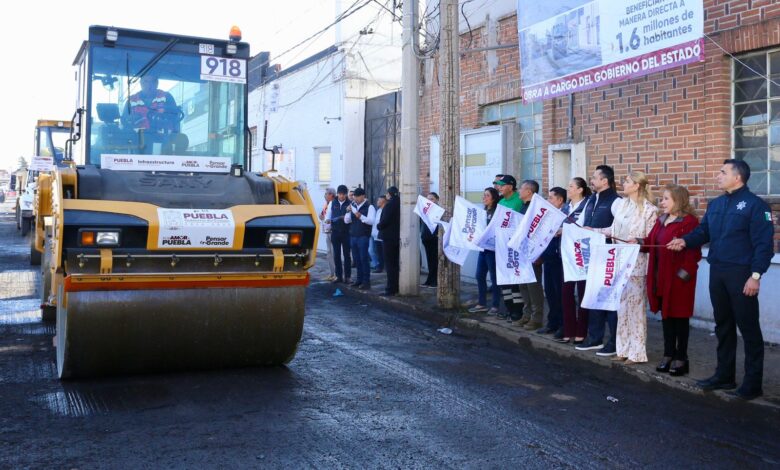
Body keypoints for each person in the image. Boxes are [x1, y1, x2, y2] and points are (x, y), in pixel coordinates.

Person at [668, 160, 774, 400]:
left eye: (723, 172)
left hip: (742, 274)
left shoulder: (756, 206)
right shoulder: (716, 204)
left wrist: (755, 276)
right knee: (723, 326)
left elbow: (764, 245)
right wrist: (685, 241)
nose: (718, 176)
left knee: (749, 329)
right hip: (718, 271)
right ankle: (724, 375)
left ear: (738, 177)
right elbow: (703, 232)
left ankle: (752, 384)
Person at [590, 171, 657, 364]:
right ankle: (623, 349)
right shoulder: (621, 205)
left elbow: (651, 240)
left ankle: (637, 353)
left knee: (635, 309)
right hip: (618, 262)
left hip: (637, 264)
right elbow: (612, 230)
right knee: (621, 308)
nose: (623, 184)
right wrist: (593, 230)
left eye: (627, 181)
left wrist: (638, 241)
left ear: (637, 185)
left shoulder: (649, 210)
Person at [644, 184, 702, 376]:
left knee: (680, 318)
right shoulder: (661, 220)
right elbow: (650, 242)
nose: (662, 202)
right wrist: (636, 242)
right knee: (666, 317)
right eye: (662, 199)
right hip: (660, 277)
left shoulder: (689, 222)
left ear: (678, 200)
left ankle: (681, 358)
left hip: (679, 280)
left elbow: (694, 254)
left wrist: (682, 276)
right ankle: (668, 354)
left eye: (666, 199)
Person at [576, 165, 621, 356]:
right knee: (594, 297)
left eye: (595, 177)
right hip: (591, 256)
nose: (591, 181)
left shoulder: (616, 201)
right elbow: (581, 223)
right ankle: (595, 338)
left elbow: (618, 229)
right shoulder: (591, 199)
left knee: (609, 300)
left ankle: (614, 342)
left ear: (605, 180)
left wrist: (595, 231)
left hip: (609, 257)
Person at [559, 177, 592, 344]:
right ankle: (569, 329)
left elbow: (584, 228)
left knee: (583, 293)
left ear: (580, 190)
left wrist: (564, 230)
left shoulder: (587, 205)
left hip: (582, 255)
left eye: (571, 186)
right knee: (566, 294)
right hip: (566, 255)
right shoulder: (566, 207)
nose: (568, 188)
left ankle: (581, 331)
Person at [493, 175, 525, 322]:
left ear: (511, 187)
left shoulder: (518, 200)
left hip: (514, 247)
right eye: (499, 185)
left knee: (514, 281)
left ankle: (517, 312)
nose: (499, 187)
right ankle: (509, 309)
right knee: (504, 280)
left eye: (502, 185)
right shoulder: (501, 202)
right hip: (502, 247)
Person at [516, 179, 546, 331]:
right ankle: (526, 314)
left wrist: (539, 254)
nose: (519, 191)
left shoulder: (537, 208)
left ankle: (537, 318)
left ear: (529, 191)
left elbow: (541, 232)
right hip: (522, 251)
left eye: (521, 188)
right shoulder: (523, 206)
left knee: (533, 287)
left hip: (534, 253)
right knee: (523, 285)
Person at [537, 187, 566, 338]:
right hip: (547, 258)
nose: (548, 201)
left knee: (559, 293)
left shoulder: (565, 215)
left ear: (560, 200)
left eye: (550, 198)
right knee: (549, 293)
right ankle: (551, 323)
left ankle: (562, 325)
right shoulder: (549, 215)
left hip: (559, 260)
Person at [468, 187, 502, 315]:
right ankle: (482, 303)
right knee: (479, 275)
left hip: (492, 250)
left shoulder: (497, 212)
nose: (484, 197)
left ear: (493, 198)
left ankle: (495, 306)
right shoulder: (483, 211)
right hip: (482, 249)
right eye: (484, 195)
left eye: (487, 195)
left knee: (494, 278)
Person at [346, 187, 375, 290]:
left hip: (363, 236)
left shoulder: (369, 207)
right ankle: (359, 280)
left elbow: (371, 221)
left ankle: (366, 282)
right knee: (357, 259)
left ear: (363, 196)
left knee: (364, 259)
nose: (356, 199)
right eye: (354, 197)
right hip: (353, 236)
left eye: (357, 196)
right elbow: (347, 221)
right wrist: (348, 212)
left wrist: (360, 216)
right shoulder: (353, 206)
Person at [377, 186, 401, 296]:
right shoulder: (400, 203)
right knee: (395, 264)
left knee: (390, 264)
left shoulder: (390, 205)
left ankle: (391, 288)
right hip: (396, 237)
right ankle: (395, 287)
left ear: (389, 194)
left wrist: (379, 226)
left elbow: (384, 221)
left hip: (388, 237)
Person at [329, 185, 352, 284]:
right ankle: (339, 276)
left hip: (346, 233)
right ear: (337, 194)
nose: (341, 196)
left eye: (343, 194)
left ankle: (348, 277)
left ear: (346, 194)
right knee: (336, 255)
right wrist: (327, 222)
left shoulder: (350, 203)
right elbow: (329, 215)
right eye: (340, 194)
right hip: (335, 232)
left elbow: (350, 218)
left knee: (347, 255)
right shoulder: (332, 202)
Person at [420, 192, 440, 288]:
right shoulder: (426, 210)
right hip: (426, 238)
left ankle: (434, 281)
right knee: (429, 260)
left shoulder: (438, 210)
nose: (429, 201)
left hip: (434, 238)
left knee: (434, 260)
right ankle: (429, 279)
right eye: (428, 199)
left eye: (431, 199)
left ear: (437, 200)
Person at [319, 187, 337, 281]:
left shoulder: (334, 203)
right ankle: (332, 273)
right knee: (329, 253)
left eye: (326, 194)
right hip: (327, 231)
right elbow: (322, 216)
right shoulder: (327, 204)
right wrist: (321, 215)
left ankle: (336, 274)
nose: (324, 195)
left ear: (331, 195)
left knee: (334, 253)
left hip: (333, 231)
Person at [371, 196, 386, 273]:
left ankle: (385, 267)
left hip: (382, 236)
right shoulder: (378, 210)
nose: (377, 202)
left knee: (384, 253)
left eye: (378, 200)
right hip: (375, 236)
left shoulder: (385, 210)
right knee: (378, 252)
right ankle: (380, 267)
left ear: (383, 201)